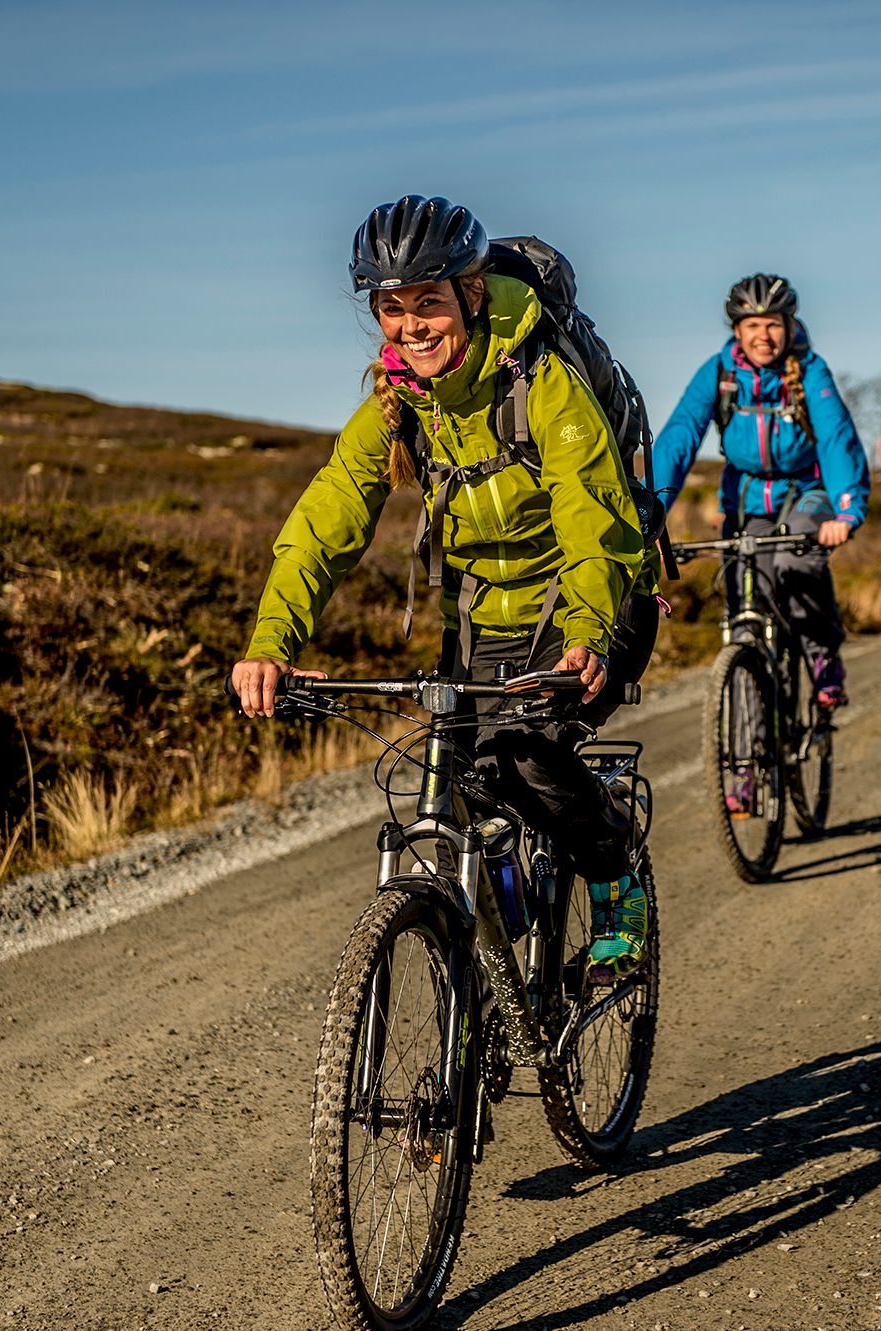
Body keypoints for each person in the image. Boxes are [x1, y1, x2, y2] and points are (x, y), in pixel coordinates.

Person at [230, 195, 658, 982]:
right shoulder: (397, 406)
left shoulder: (545, 383)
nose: (410, 325)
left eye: (427, 302)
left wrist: (589, 631)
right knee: (460, 775)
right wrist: (270, 644)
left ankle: (616, 870)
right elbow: (325, 519)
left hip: (597, 595)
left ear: (469, 293)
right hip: (481, 618)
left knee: (527, 760)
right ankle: (508, 962)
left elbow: (594, 514)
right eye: (391, 308)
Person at [654, 273, 871, 731]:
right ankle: (746, 770)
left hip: (807, 492)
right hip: (746, 499)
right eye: (752, 326)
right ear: (737, 331)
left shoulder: (809, 370)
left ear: (789, 326)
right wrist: (653, 511)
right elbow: (679, 438)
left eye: (772, 324)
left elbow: (835, 439)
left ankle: (822, 655)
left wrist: (847, 509)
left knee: (796, 566)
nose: (763, 336)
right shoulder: (719, 372)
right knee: (744, 618)